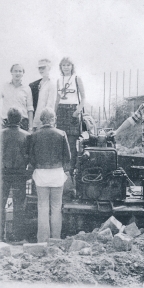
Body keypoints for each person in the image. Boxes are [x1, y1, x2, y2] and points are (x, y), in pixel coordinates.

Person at [29, 107, 71, 242]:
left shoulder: (34, 135)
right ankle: (56, 239)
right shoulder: (61, 134)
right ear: (54, 120)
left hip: (41, 175)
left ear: (41, 120)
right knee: (56, 207)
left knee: (42, 207)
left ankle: (42, 240)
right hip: (57, 174)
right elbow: (68, 157)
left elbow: (31, 157)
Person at [0, 108, 31, 241]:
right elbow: (29, 157)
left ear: (7, 118)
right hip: (20, 174)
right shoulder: (27, 136)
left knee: (1, 204)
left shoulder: (1, 134)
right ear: (20, 120)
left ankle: (1, 236)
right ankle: (17, 237)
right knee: (19, 205)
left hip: (3, 173)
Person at [55, 57, 85, 176]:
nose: (66, 67)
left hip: (73, 111)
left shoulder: (77, 78)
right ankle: (61, 171)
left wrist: (77, 111)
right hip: (61, 112)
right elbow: (57, 99)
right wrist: (54, 113)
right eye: (63, 65)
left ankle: (71, 172)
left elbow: (83, 97)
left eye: (68, 65)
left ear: (72, 66)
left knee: (72, 144)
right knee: (61, 143)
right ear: (60, 67)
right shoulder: (59, 80)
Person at [1, 64, 33, 131]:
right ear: (11, 72)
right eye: (15, 71)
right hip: (7, 122)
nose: (17, 73)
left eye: (20, 71)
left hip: (22, 123)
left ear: (23, 73)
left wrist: (30, 127)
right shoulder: (4, 86)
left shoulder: (27, 88)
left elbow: (30, 108)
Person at [29, 59, 56, 130]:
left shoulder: (52, 84)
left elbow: (50, 105)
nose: (41, 70)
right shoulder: (37, 83)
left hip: (44, 121)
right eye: (39, 68)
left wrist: (45, 121)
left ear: (49, 68)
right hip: (35, 119)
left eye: (43, 68)